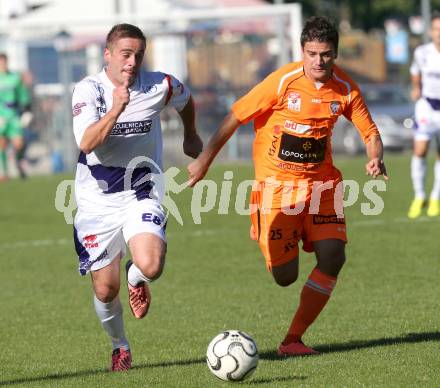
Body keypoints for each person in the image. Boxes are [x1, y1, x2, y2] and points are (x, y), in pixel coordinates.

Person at [188, 16, 387, 356]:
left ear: (335, 54)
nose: (318, 61)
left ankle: (292, 340)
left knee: (333, 256)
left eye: (325, 54)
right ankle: (267, 232)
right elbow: (236, 116)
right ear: (302, 51)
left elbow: (370, 132)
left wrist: (375, 156)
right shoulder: (282, 83)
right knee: (285, 277)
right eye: (312, 53)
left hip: (322, 187)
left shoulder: (346, 88)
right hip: (277, 190)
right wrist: (205, 159)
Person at [72, 23, 202, 371]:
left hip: (141, 189)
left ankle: (137, 276)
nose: (132, 62)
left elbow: (185, 98)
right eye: (125, 54)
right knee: (104, 290)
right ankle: (120, 345)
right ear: (108, 54)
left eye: (138, 55)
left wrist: (191, 135)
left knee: (151, 265)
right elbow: (86, 143)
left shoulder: (160, 84)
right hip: (96, 200)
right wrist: (116, 109)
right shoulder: (89, 91)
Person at [407, 12, 440, 219]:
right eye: (436, 29)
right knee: (420, 150)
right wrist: (416, 88)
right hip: (426, 106)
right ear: (431, 31)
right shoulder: (422, 52)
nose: (439, 33)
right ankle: (419, 196)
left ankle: (436, 197)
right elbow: (415, 70)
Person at [0, 53, 32, 180]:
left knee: (19, 143)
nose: (2, 65)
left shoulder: (15, 78)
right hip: (1, 117)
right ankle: (4, 173)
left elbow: (22, 95)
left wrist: (27, 110)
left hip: (13, 116)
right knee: (1, 143)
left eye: (4, 62)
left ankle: (18, 163)